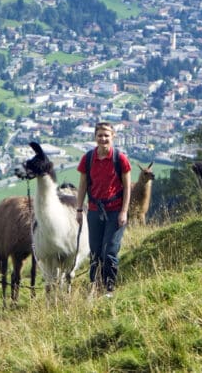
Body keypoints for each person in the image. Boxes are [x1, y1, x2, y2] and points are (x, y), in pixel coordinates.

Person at [76, 122, 132, 297]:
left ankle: (109, 288)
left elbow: (127, 186)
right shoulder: (88, 159)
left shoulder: (120, 159)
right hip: (94, 210)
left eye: (106, 135)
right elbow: (83, 185)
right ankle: (95, 285)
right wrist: (78, 209)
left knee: (109, 251)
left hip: (115, 211)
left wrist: (124, 211)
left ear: (113, 136)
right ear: (95, 137)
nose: (103, 138)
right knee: (95, 251)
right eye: (100, 135)